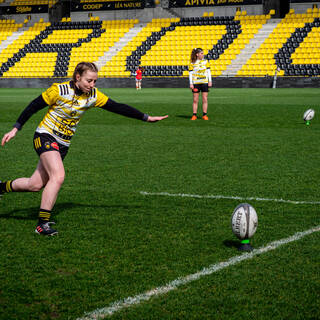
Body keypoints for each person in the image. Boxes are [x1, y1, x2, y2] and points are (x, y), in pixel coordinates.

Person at [1, 62, 168, 236]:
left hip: (63, 143)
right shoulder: (59, 90)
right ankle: (42, 224)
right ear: (77, 77)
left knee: (34, 184)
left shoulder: (93, 95)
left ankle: (1, 187)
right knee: (58, 176)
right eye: (89, 81)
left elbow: (117, 107)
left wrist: (146, 118)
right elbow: (33, 106)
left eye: (95, 81)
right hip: (45, 136)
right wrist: (15, 128)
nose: (92, 85)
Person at [188, 48, 212, 120]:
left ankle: (204, 115)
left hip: (204, 82)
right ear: (197, 54)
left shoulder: (206, 62)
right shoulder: (192, 63)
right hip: (196, 83)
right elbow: (190, 74)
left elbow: (208, 72)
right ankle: (194, 115)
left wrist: (210, 81)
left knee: (205, 99)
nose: (203, 54)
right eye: (201, 53)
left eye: (203, 53)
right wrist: (191, 83)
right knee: (195, 100)